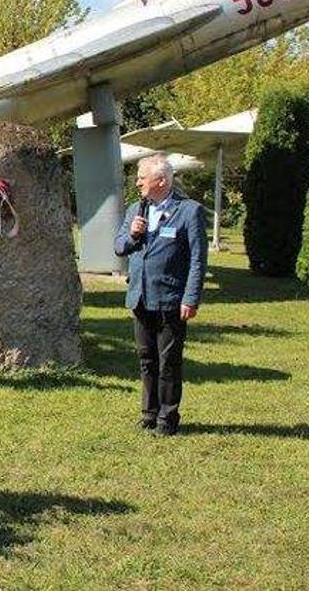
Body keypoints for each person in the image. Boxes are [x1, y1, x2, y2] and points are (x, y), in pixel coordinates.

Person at [113, 152, 208, 436]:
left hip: (170, 298)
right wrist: (132, 234)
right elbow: (119, 247)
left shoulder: (189, 211)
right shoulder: (135, 209)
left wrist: (190, 298)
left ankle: (168, 418)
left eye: (142, 178)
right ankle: (149, 413)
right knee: (146, 359)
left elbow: (197, 260)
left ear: (161, 180)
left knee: (168, 361)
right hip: (141, 297)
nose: (138, 183)